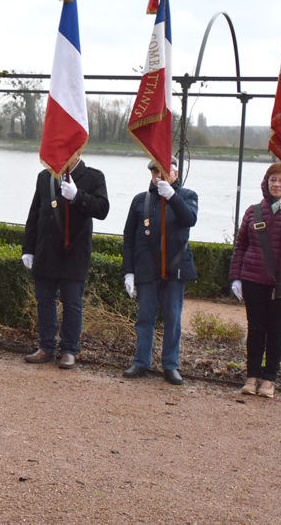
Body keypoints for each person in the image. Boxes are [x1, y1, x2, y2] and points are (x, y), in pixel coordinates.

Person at [21, 154, 109, 368]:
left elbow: (102, 209)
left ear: (78, 152)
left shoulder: (93, 177)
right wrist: (28, 249)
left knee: (72, 304)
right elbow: (35, 214)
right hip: (46, 251)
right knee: (45, 301)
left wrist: (78, 196)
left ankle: (69, 350)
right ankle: (46, 347)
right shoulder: (45, 177)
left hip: (74, 253)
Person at [229, 163, 281, 398]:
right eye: (273, 180)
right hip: (254, 279)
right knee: (256, 328)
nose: (277, 184)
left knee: (276, 330)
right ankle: (252, 376)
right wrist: (236, 277)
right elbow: (241, 245)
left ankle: (270, 379)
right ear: (266, 182)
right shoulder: (253, 211)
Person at [121, 155, 198, 385]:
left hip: (176, 268)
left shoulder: (188, 196)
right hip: (147, 268)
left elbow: (189, 219)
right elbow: (129, 238)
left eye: (165, 171)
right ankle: (141, 361)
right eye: (155, 172)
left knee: (173, 318)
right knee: (145, 317)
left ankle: (171, 365)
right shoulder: (140, 200)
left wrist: (172, 196)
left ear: (176, 173)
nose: (159, 175)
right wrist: (129, 271)